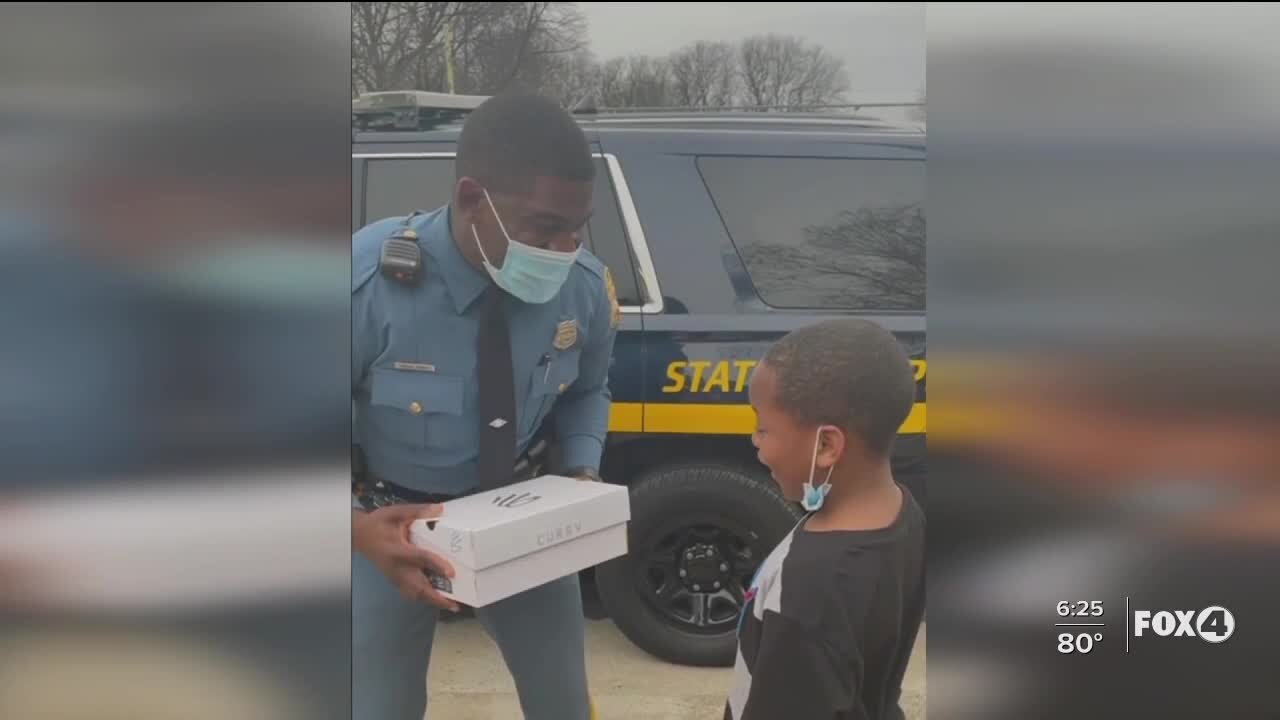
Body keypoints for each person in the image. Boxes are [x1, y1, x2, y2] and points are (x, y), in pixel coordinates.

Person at [350, 92, 620, 720]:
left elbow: (587, 391)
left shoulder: (580, 288)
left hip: (520, 519)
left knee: (563, 706)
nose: (563, 247)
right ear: (473, 200)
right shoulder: (366, 287)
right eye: (544, 227)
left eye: (575, 227)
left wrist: (581, 475)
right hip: (387, 528)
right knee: (377, 706)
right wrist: (356, 529)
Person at [725, 318, 926, 720]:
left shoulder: (809, 589)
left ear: (828, 446)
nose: (755, 440)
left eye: (764, 427)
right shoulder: (905, 510)